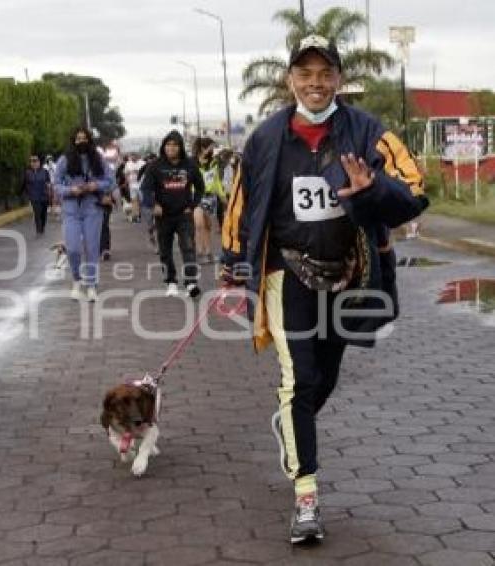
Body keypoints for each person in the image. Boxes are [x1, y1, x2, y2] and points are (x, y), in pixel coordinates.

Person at [221, 34, 428, 544]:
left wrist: (374, 189)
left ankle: (294, 423)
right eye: (305, 74)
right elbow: (242, 205)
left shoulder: (367, 131)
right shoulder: (267, 138)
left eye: (324, 73)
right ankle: (306, 496)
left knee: (323, 379)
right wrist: (231, 264)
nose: (315, 84)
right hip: (285, 273)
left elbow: (416, 191)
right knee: (299, 377)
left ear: (338, 78)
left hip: (349, 272)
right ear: (290, 79)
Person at [140, 130, 204, 298]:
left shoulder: (190, 165)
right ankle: (171, 282)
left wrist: (193, 204)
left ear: (180, 147)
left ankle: (191, 283)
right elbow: (145, 189)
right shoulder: (155, 166)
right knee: (165, 251)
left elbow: (200, 187)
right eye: (168, 144)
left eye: (175, 145)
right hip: (164, 216)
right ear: (163, 146)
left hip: (184, 214)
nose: (171, 148)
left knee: (188, 248)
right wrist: (153, 204)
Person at [54, 127, 114, 302]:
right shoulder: (64, 160)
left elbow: (110, 180)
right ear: (73, 141)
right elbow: (56, 185)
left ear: (89, 140)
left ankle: (91, 285)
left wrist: (96, 186)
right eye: (78, 138)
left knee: (92, 248)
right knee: (72, 248)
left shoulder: (99, 159)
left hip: (92, 208)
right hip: (71, 209)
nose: (81, 141)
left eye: (84, 138)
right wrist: (70, 190)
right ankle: (76, 280)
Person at [192, 137, 221, 264]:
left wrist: (223, 197)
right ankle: (200, 252)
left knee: (208, 226)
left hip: (210, 197)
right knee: (199, 225)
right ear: (204, 148)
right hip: (196, 196)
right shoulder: (191, 163)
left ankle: (209, 252)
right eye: (211, 147)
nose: (212, 149)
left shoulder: (213, 162)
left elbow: (216, 181)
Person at [21, 154, 52, 236]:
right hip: (34, 197)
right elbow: (24, 184)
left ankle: (42, 227)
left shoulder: (44, 172)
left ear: (39, 162)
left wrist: (50, 194)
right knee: (37, 213)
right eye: (31, 161)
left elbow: (48, 183)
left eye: (35, 161)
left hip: (44, 196)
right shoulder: (27, 173)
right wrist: (25, 195)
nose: (33, 163)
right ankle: (39, 230)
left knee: (43, 214)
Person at [124, 153, 145, 222]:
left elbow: (147, 172)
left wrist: (137, 171)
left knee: (142, 200)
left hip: (141, 184)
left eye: (134, 156)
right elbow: (126, 173)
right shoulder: (128, 163)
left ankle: (144, 214)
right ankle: (136, 216)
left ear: (137, 156)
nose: (133, 158)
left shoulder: (142, 163)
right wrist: (127, 182)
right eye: (131, 156)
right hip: (132, 185)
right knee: (134, 200)